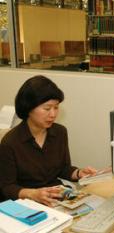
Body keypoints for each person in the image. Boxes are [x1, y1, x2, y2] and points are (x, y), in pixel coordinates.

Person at [0, 75, 97, 206]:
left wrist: (79, 173)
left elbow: (63, 169)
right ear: (29, 108)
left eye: (56, 107)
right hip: (28, 203)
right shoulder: (10, 142)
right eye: (47, 108)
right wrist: (33, 194)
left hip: (56, 198)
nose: (53, 114)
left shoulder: (60, 132)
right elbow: (7, 187)